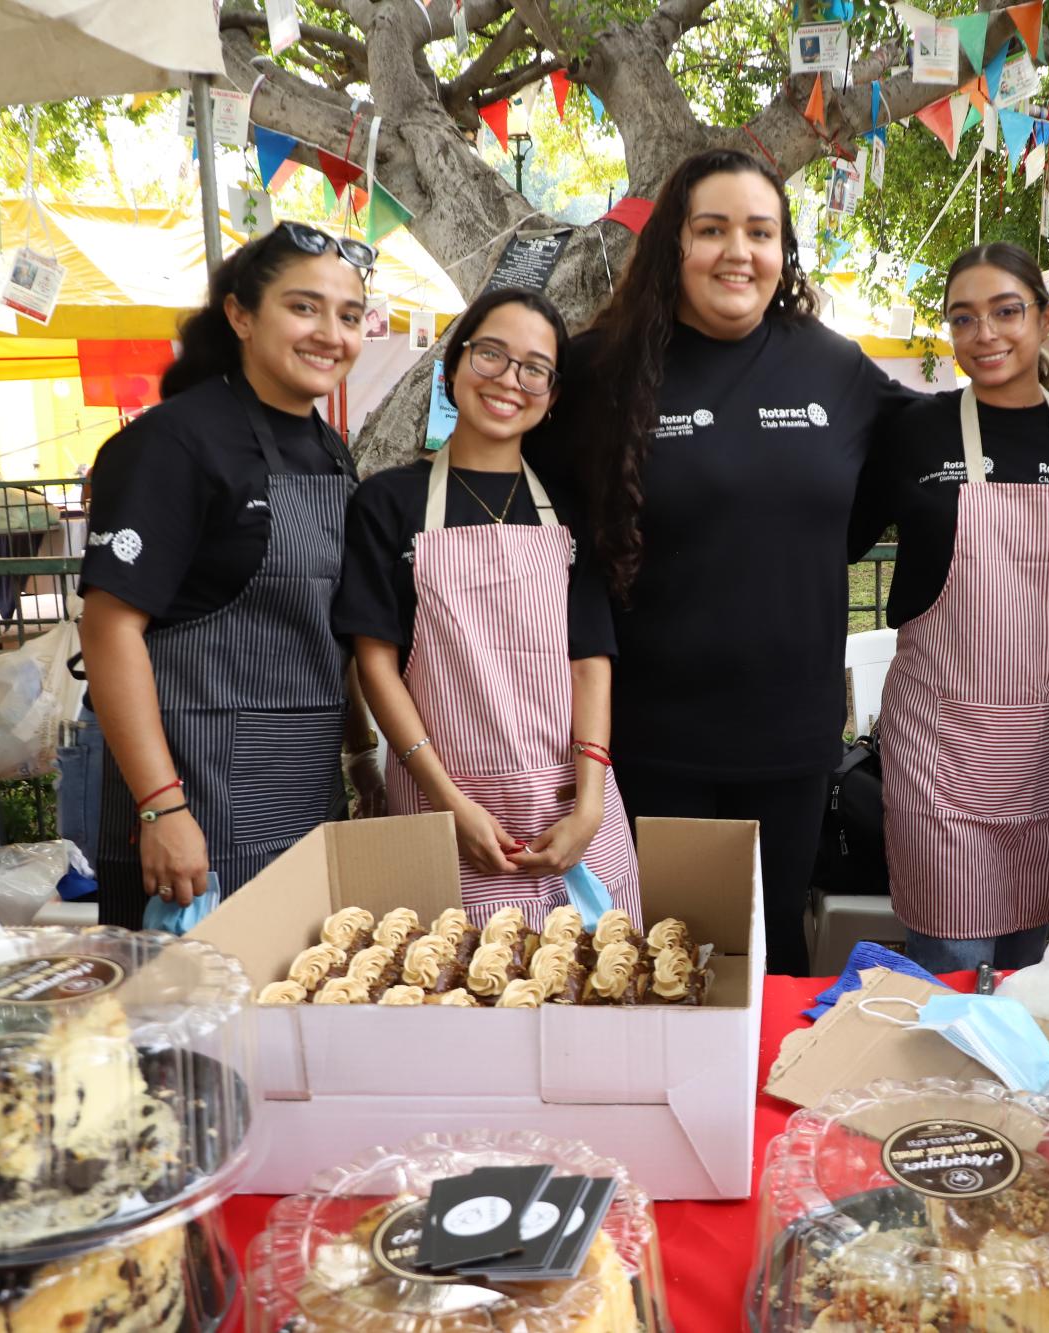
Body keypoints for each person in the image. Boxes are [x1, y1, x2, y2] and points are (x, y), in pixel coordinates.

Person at [530, 147, 913, 975]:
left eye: (760, 232)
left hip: (791, 742)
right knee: (656, 966)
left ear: (783, 250)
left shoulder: (834, 367)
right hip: (643, 743)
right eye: (712, 230)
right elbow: (530, 522)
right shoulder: (600, 370)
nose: (738, 251)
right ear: (674, 243)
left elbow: (912, 469)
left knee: (768, 959)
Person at [79, 222, 378, 928]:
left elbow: (331, 630)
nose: (330, 334)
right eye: (303, 307)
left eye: (349, 316)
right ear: (241, 316)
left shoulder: (330, 451)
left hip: (305, 799)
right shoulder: (173, 443)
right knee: (199, 999)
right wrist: (162, 806)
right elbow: (108, 629)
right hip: (195, 805)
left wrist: (362, 754)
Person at [336, 289, 639, 927]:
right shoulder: (387, 503)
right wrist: (450, 804)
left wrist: (587, 808)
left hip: (571, 807)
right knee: (448, 976)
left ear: (553, 395)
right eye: (491, 355)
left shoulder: (571, 509)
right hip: (442, 803)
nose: (509, 380)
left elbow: (590, 661)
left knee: (603, 974)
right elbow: (376, 664)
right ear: (454, 365)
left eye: (535, 369)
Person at [848, 243, 1049, 973]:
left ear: (1044, 319)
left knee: (1027, 960)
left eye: (1005, 311)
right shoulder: (916, 431)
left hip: (1045, 741)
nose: (984, 333)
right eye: (963, 318)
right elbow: (838, 535)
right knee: (953, 964)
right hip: (938, 743)